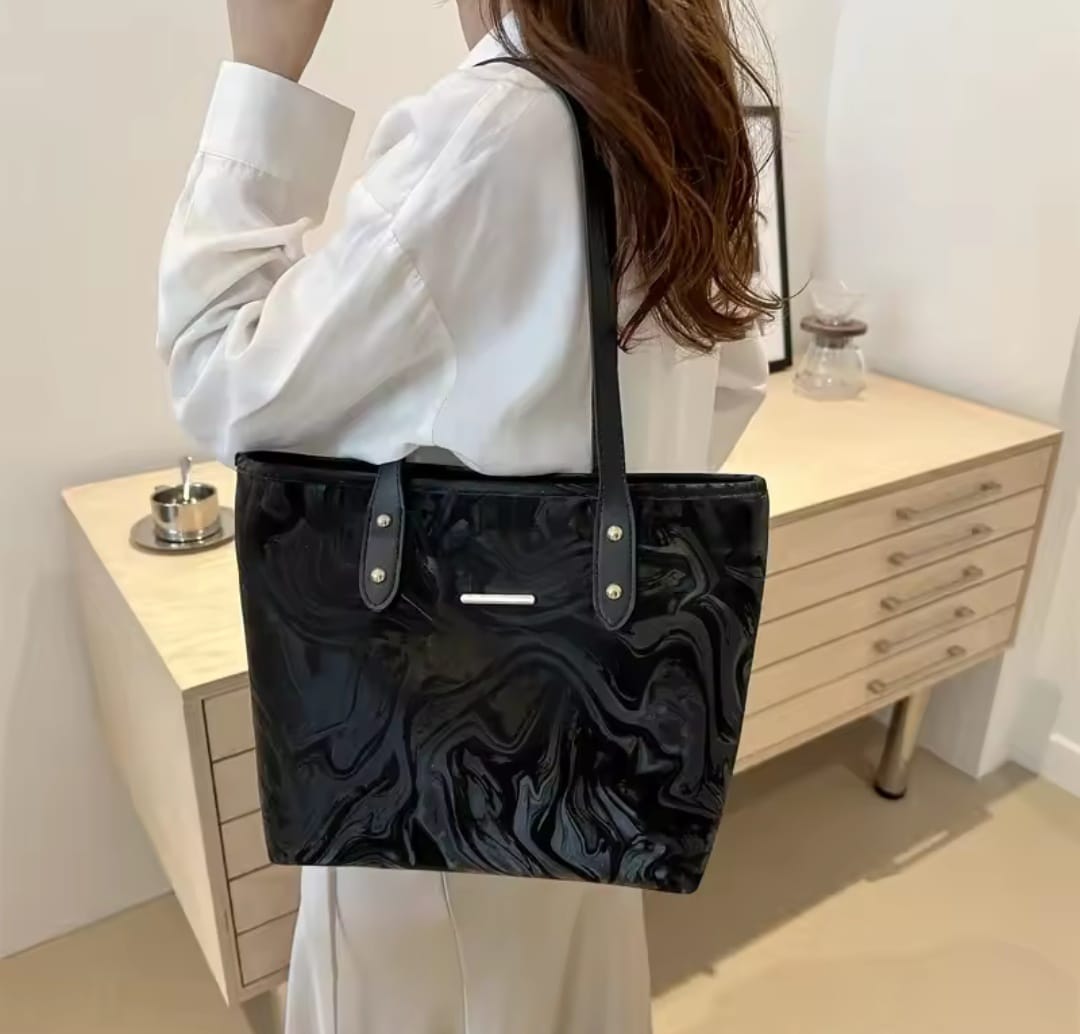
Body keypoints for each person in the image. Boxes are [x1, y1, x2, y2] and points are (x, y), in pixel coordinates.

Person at [158, 1, 776, 1031]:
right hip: (598, 743)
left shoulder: (491, 128)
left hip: (430, 792)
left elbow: (220, 375)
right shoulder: (677, 101)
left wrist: (262, 69)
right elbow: (732, 382)